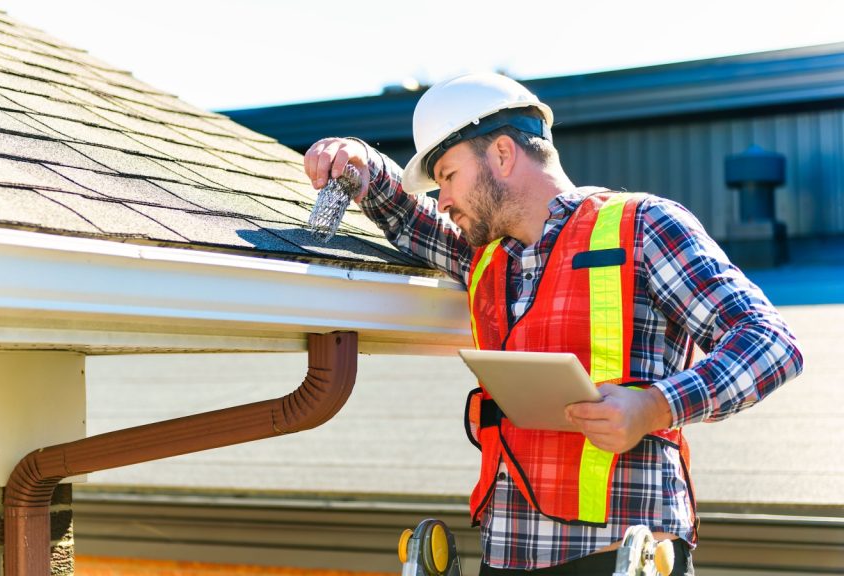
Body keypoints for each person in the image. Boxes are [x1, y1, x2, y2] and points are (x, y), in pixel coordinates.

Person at [303, 73, 803, 576]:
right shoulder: (485, 257)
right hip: (507, 553)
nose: (445, 200)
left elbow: (770, 343)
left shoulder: (645, 226)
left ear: (502, 154)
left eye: (449, 176)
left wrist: (654, 406)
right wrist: (361, 164)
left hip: (621, 553)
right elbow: (412, 219)